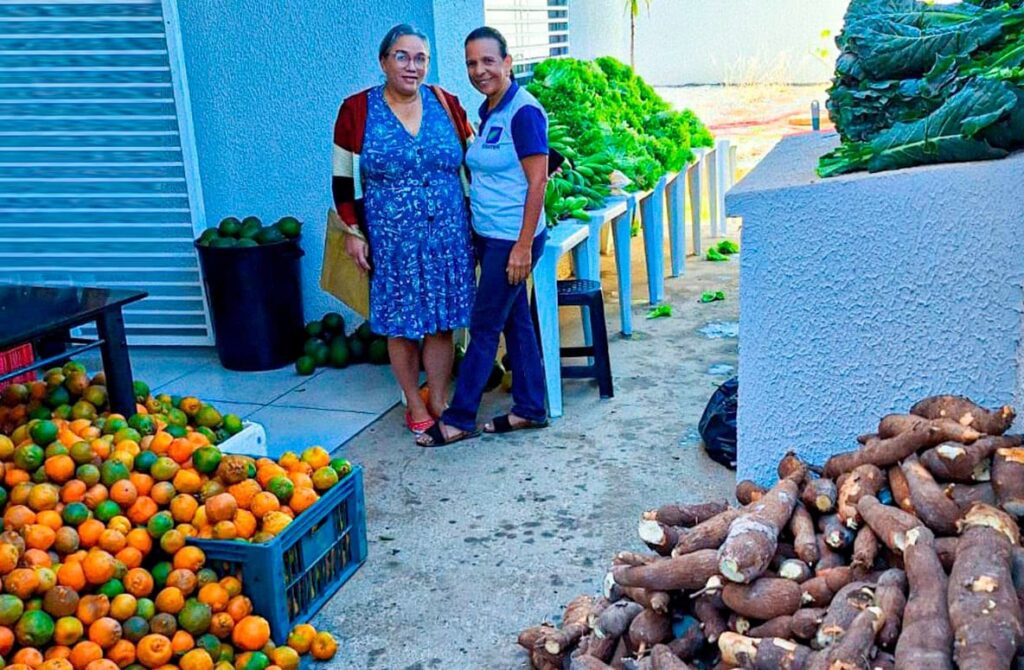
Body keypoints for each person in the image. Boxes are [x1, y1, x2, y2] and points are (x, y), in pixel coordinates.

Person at [332, 24, 476, 435]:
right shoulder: (357, 109)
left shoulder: (446, 103)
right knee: (400, 323)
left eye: (420, 59)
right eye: (402, 56)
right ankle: (414, 401)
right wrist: (353, 231)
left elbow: (477, 156)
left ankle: (439, 398)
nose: (411, 67)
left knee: (442, 321)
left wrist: (539, 160)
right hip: (393, 242)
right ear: (384, 62)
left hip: (449, 237)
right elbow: (342, 179)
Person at [418, 26, 549, 447]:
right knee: (518, 323)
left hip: (513, 239)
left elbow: (538, 181)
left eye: (488, 61)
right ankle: (531, 408)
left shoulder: (523, 112)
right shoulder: (491, 108)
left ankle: (459, 417)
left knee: (485, 325)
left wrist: (523, 245)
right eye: (472, 63)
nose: (479, 70)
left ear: (508, 63)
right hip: (493, 236)